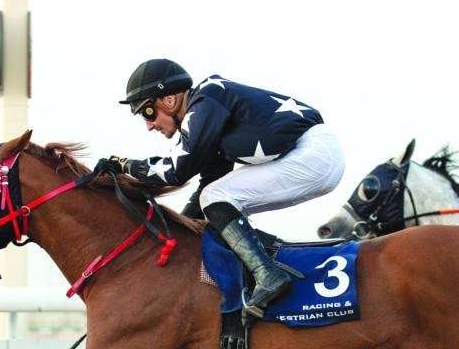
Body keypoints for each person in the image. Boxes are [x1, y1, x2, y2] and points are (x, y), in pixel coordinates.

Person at [95, 58, 344, 317]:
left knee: (216, 197)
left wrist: (123, 164)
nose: (149, 125)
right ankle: (263, 269)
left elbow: (175, 171)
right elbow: (209, 184)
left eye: (148, 112)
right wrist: (179, 230)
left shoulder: (206, 101)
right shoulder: (211, 110)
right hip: (315, 155)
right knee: (218, 201)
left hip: (312, 154)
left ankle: (267, 274)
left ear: (169, 100)